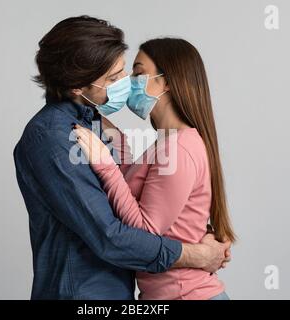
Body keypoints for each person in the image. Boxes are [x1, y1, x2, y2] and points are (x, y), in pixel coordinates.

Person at [13, 16, 231, 300]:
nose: (124, 85)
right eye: (114, 78)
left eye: (126, 73)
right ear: (78, 86)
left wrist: (198, 230)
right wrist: (196, 255)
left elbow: (141, 200)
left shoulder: (96, 125)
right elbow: (112, 237)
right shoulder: (53, 139)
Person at [74, 38, 236, 300]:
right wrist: (100, 122)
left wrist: (105, 163)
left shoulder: (178, 148)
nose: (129, 82)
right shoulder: (169, 142)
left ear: (167, 81)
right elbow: (136, 184)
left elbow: (145, 231)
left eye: (138, 73)